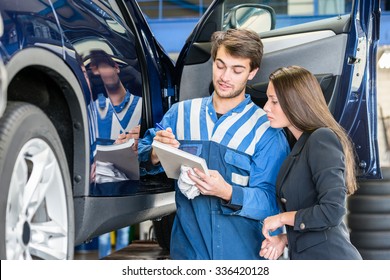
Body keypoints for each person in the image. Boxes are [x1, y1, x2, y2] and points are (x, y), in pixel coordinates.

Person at [138, 29, 290, 259]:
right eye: (220, 65)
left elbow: (271, 203)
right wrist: (154, 153)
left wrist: (228, 192)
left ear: (252, 72)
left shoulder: (265, 130)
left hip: (243, 256)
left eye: (237, 70)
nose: (225, 77)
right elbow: (138, 154)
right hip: (188, 255)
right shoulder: (179, 115)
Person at [259, 65, 362, 260]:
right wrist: (284, 238)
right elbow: (311, 217)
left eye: (274, 101)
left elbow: (332, 211)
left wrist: (282, 219)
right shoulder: (299, 146)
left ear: (295, 103)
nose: (266, 107)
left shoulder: (321, 138)